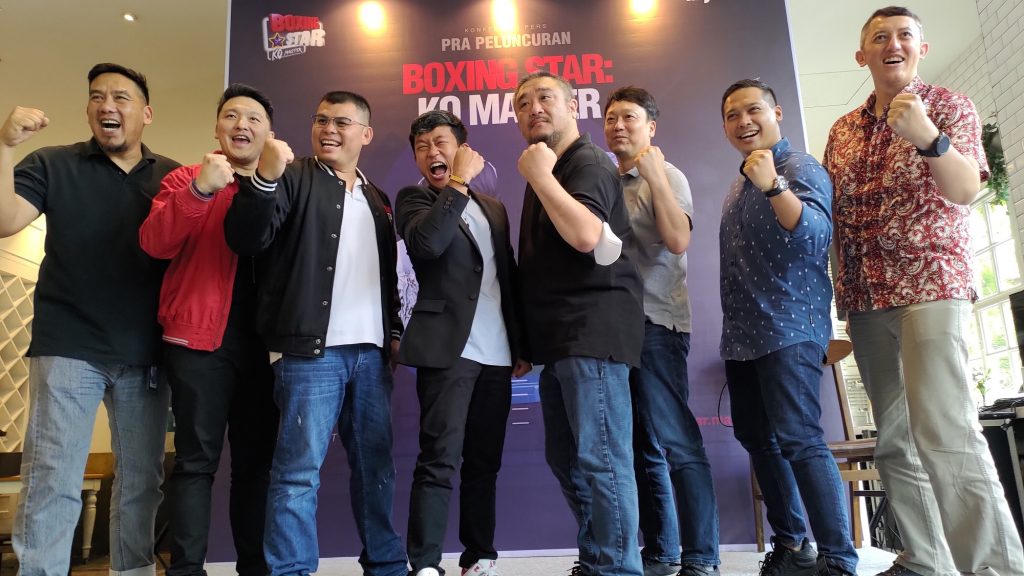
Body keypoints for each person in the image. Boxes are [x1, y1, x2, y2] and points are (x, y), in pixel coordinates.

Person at [824, 6, 1024, 576]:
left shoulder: (950, 106)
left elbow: (964, 190)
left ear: (921, 49)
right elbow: (837, 220)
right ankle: (924, 562)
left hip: (930, 286)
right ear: (862, 55)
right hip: (867, 298)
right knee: (893, 440)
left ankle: (994, 568)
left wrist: (929, 138)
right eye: (879, 37)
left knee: (944, 429)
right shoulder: (842, 131)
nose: (893, 44)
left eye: (904, 35)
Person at [0, 63, 178, 576]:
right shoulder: (53, 163)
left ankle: (133, 571)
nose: (107, 106)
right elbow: (5, 220)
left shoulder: (172, 177)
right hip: (68, 344)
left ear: (146, 113)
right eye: (97, 97)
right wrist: (5, 145)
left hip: (147, 352)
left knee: (141, 481)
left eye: (121, 97)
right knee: (52, 477)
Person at [223, 91, 407, 576]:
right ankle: (291, 570)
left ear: (365, 134)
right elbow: (246, 238)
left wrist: (392, 331)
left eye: (342, 122)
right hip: (309, 353)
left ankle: (387, 565)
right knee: (297, 474)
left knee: (376, 470)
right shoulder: (291, 175)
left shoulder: (378, 198)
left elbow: (387, 277)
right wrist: (263, 179)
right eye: (321, 120)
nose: (328, 129)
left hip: (371, 356)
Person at [139, 83, 279, 576]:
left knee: (256, 467)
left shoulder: (284, 185)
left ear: (269, 134)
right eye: (231, 116)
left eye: (254, 118)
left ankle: (255, 568)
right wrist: (200, 189)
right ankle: (186, 570)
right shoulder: (184, 179)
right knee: (196, 462)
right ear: (217, 127)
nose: (242, 125)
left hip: (265, 348)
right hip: (199, 342)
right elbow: (154, 243)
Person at [719, 78, 858, 576]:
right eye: (732, 115)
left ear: (776, 113)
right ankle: (794, 546)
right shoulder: (739, 182)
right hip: (743, 337)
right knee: (758, 439)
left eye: (753, 110)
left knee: (799, 439)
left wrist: (774, 185)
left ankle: (838, 559)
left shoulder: (799, 167)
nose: (743, 121)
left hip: (789, 328)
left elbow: (816, 236)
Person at [514, 70, 645, 576]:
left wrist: (541, 177)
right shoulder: (546, 165)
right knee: (568, 459)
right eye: (522, 103)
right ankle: (597, 560)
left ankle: (618, 568)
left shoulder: (584, 163)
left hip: (592, 334)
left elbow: (588, 237)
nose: (533, 108)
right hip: (560, 341)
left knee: (601, 459)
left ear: (573, 107)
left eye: (545, 97)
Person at [395, 110, 530, 576]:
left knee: (484, 462)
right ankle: (425, 562)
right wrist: (456, 183)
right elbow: (427, 245)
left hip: (497, 353)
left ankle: (479, 555)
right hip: (447, 349)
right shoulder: (413, 199)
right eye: (422, 147)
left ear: (462, 147)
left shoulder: (494, 208)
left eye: (441, 142)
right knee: (439, 458)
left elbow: (507, 277)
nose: (432, 152)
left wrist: (521, 344)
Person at [603, 86, 720, 576]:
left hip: (658, 324)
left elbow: (677, 239)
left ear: (651, 127)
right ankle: (660, 552)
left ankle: (702, 557)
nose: (618, 126)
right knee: (638, 449)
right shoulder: (604, 180)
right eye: (611, 118)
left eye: (629, 117)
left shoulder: (667, 175)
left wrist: (652, 175)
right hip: (614, 330)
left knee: (677, 444)